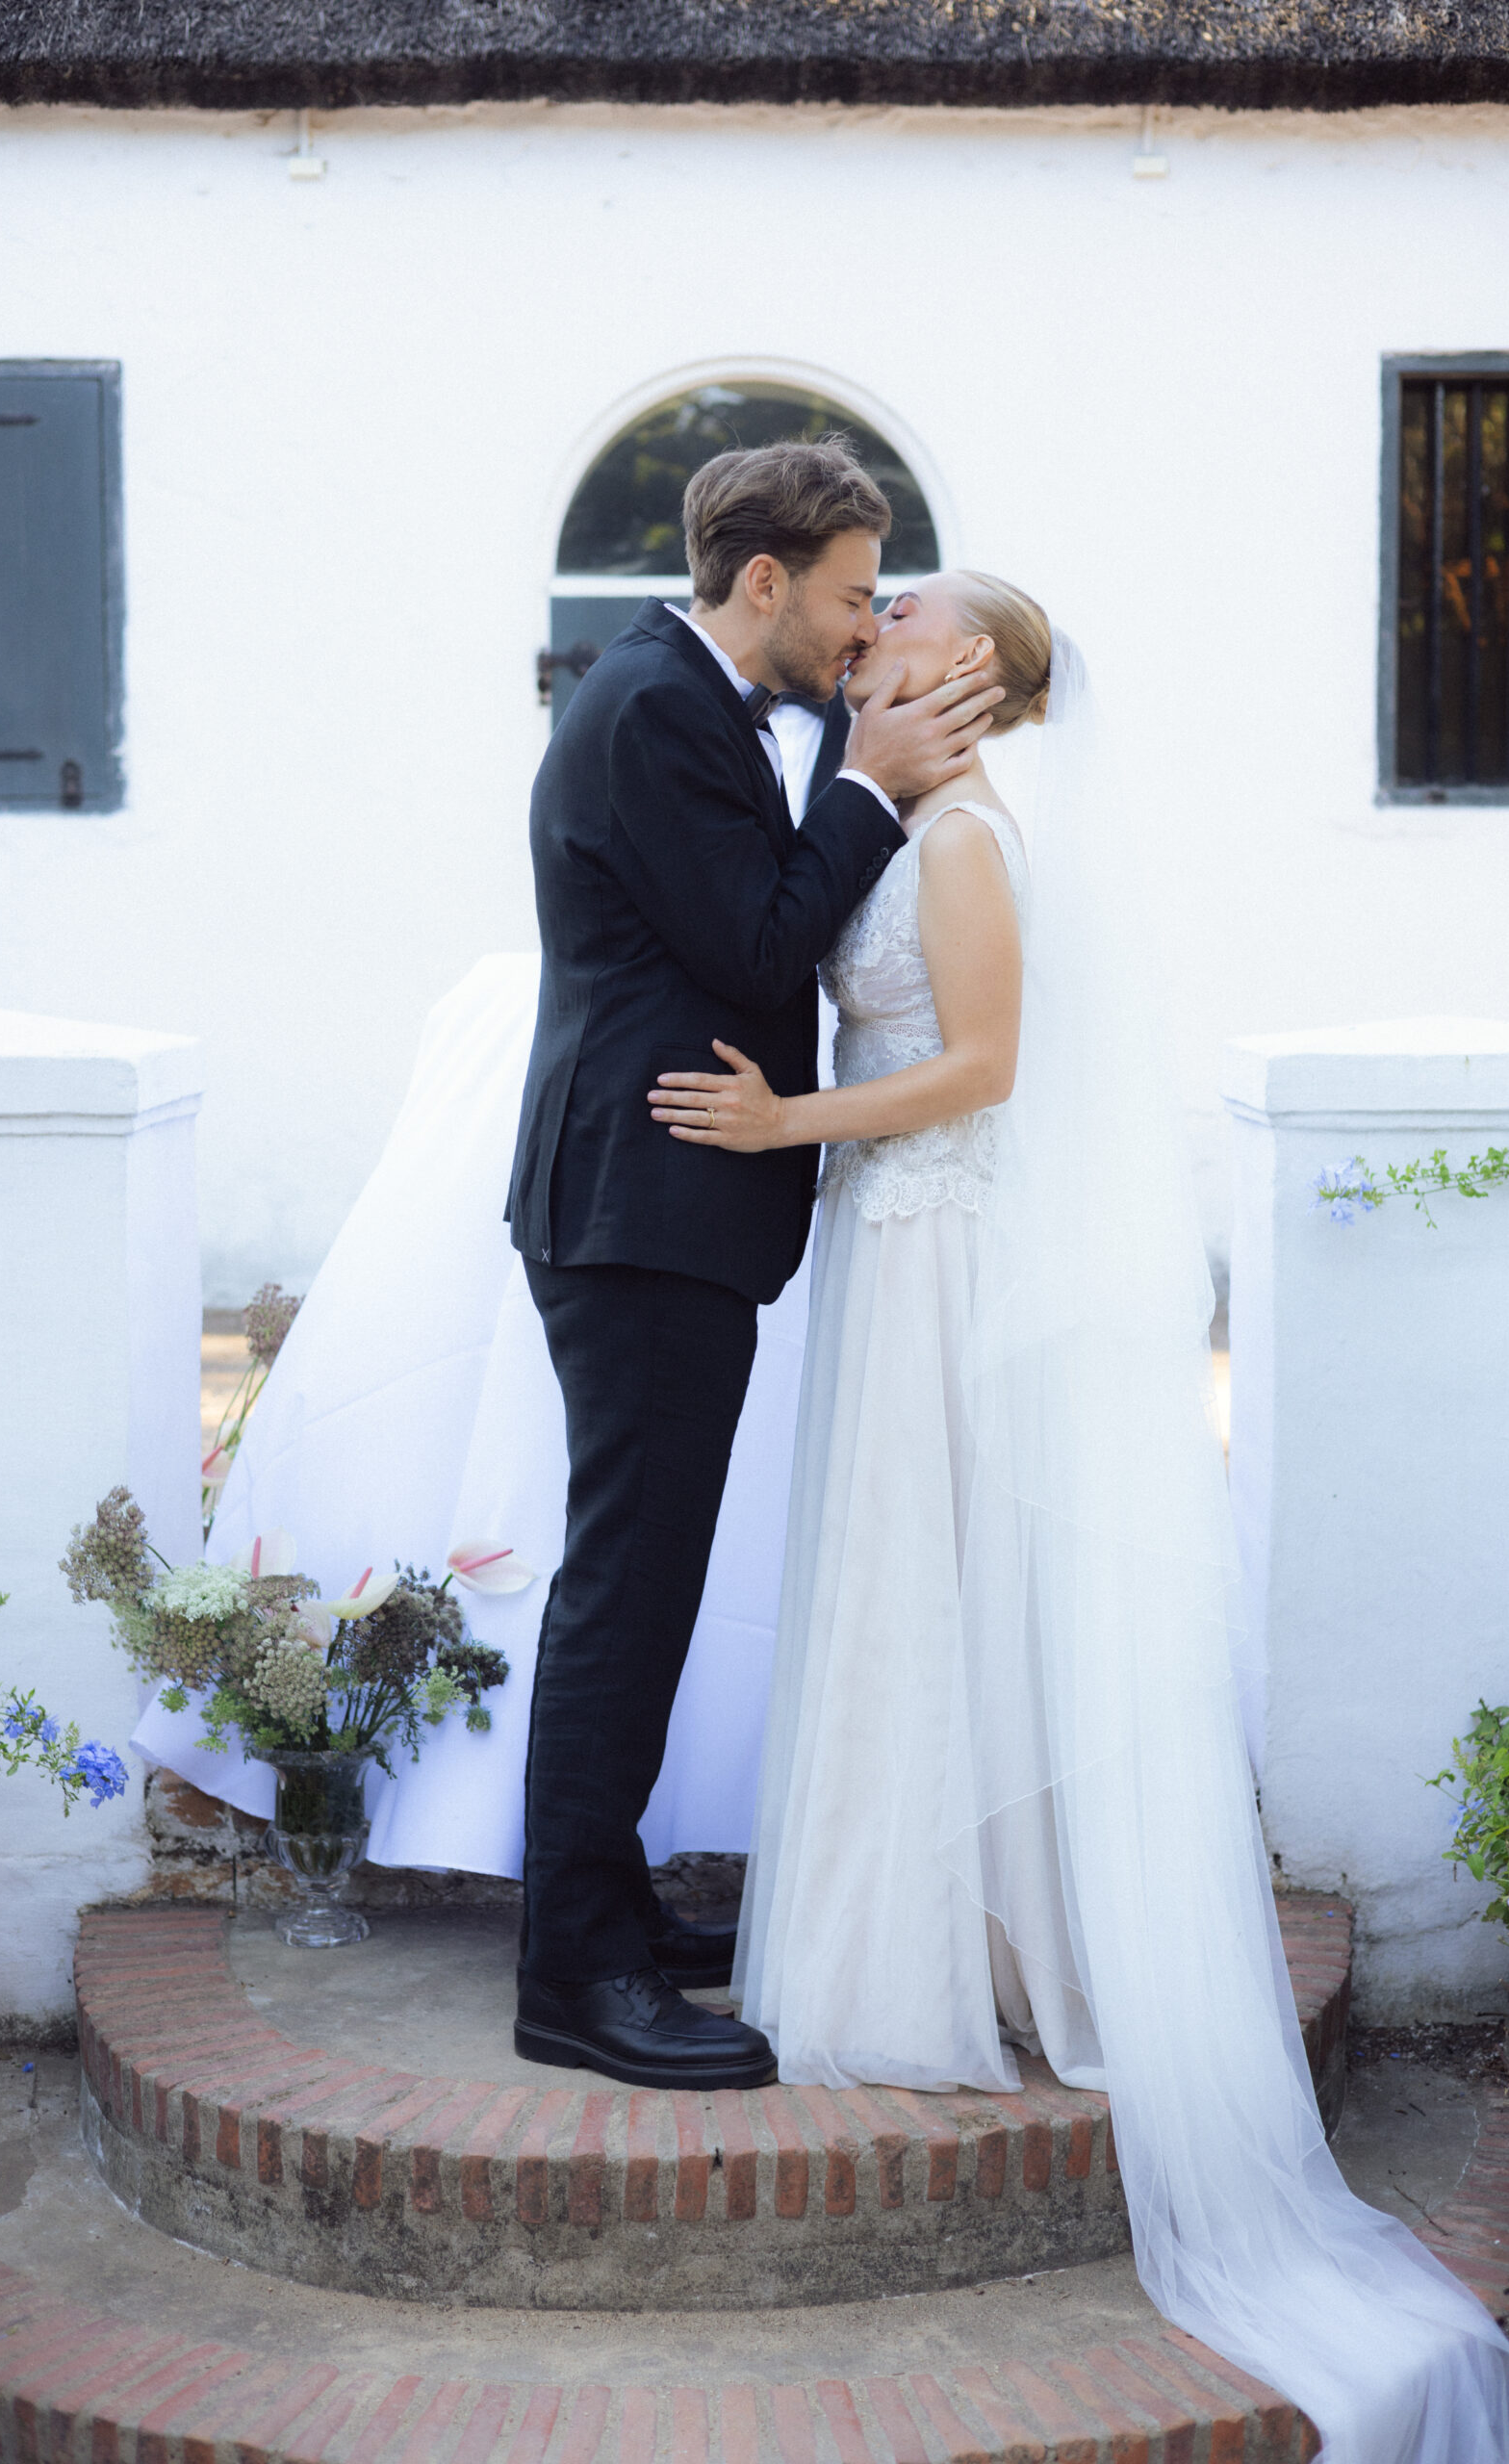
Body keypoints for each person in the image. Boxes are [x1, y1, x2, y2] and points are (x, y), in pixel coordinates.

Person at [647, 574, 1509, 2462]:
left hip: (941, 1245)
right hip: (891, 1247)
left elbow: (981, 1067)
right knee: (893, 1592)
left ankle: (965, 1942)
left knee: (938, 1581)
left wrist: (779, 1123)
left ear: (967, 670)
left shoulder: (969, 837)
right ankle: (914, 1927)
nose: (872, 606)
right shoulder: (899, 807)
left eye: (911, 600)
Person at [504, 438, 1004, 2092]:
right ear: (766, 580)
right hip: (640, 1205)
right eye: (856, 592)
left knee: (644, 1585)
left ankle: (611, 1913)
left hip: (672, 1204)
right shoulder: (657, 705)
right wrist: (869, 785)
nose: (866, 629)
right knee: (623, 1593)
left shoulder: (688, 697)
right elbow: (761, 939)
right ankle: (573, 1979)